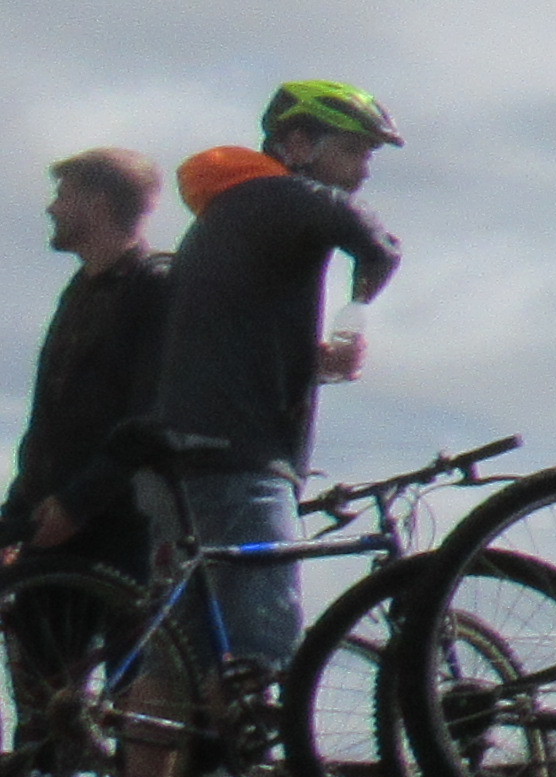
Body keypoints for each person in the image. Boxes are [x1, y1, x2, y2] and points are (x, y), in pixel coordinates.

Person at [148, 83, 403, 684]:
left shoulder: (229, 213)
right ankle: (269, 754)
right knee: (267, 647)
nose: (365, 170)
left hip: (182, 452)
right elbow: (379, 245)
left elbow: (230, 337)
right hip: (244, 457)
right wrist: (356, 310)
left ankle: (177, 776)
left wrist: (311, 358)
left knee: (188, 663)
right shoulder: (288, 196)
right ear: (297, 143)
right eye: (355, 151)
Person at [18, 151, 173, 579]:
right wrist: (14, 518)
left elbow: (152, 415)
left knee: (127, 647)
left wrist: (78, 503)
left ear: (98, 203)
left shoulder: (154, 286)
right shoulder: (81, 289)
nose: (51, 208)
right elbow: (50, 416)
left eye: (63, 196)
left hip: (118, 527)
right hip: (50, 517)